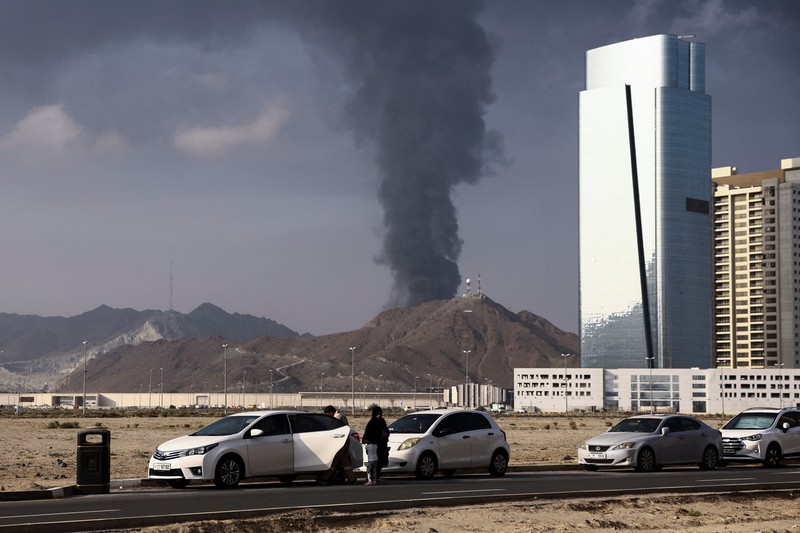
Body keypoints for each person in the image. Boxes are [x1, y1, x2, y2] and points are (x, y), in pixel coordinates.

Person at [320, 406, 357, 484]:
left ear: (331, 412)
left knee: (334, 458)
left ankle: (325, 477)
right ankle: (352, 478)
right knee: (345, 460)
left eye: (328, 414)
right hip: (345, 439)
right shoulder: (341, 415)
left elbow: (334, 428)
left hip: (341, 440)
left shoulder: (337, 416)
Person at [362, 405, 389, 480]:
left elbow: (386, 430)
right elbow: (368, 434)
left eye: (380, 414)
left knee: (380, 462)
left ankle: (375, 477)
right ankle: (371, 478)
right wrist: (380, 433)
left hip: (382, 445)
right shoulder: (371, 423)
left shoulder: (382, 421)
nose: (378, 416)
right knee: (373, 463)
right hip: (374, 446)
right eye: (377, 414)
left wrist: (385, 433)